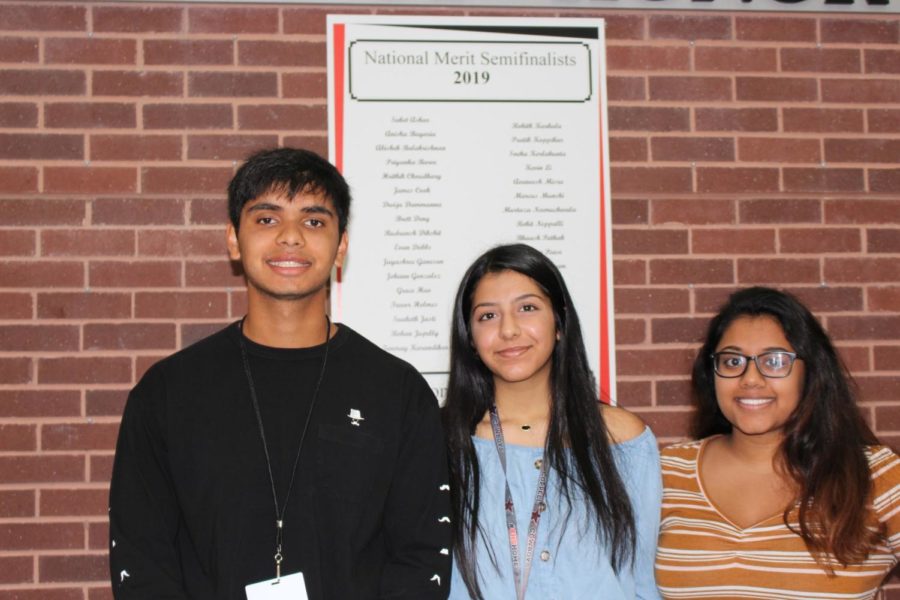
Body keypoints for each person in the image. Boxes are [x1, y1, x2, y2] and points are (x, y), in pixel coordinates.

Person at [108, 148, 451, 600]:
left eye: (313, 221)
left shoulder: (397, 391)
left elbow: (421, 555)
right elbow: (142, 556)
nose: (290, 238)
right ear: (233, 239)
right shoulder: (169, 392)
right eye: (267, 220)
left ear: (341, 245)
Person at [443, 243, 662, 600]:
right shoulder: (442, 442)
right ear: (469, 337)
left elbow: (640, 583)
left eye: (527, 308)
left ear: (559, 323)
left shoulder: (623, 440)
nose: (509, 330)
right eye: (487, 316)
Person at [656, 286, 900, 599]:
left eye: (774, 361)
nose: (751, 379)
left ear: (810, 372)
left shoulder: (875, 476)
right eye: (732, 362)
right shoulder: (670, 473)